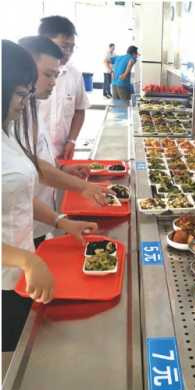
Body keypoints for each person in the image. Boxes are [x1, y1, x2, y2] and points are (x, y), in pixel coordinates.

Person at [2, 40, 98, 351]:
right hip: (9, 273)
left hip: (18, 272)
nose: (25, 101)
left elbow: (15, 197)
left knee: (19, 343)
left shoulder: (7, 132)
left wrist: (61, 220)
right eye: (20, 94)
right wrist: (26, 259)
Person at [18, 36, 108, 247]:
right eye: (48, 74)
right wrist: (83, 187)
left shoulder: (32, 106)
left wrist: (61, 168)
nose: (53, 82)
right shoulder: (13, 115)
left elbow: (36, 155)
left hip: (37, 216)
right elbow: (35, 168)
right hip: (16, 229)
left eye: (56, 75)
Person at [38, 16, 89, 160]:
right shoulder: (28, 75)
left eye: (72, 47)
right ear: (44, 42)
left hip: (62, 153)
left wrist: (71, 140)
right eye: (64, 46)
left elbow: (79, 110)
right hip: (33, 155)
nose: (68, 52)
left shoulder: (75, 75)